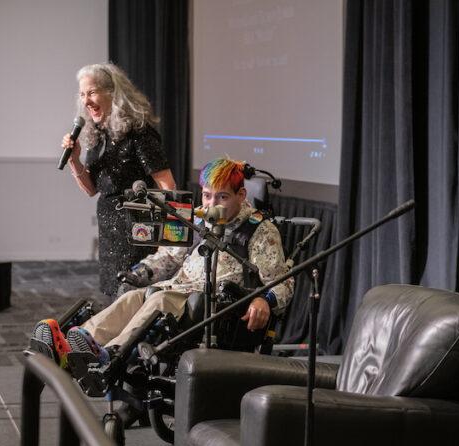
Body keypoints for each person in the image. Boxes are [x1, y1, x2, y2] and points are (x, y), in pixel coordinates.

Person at [30, 157, 293, 393]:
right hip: (178, 290)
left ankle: (109, 356)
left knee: (159, 301)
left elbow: (282, 281)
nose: (212, 204)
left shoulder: (260, 230)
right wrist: (140, 272)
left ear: (241, 194)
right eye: (206, 195)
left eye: (222, 197)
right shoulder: (199, 221)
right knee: (134, 296)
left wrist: (264, 300)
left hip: (218, 306)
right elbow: (169, 257)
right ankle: (72, 349)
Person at [63, 62, 176, 297]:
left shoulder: (138, 132)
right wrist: (74, 160)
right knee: (113, 294)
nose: (86, 101)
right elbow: (92, 189)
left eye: (92, 92)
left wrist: (167, 238)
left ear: (112, 93)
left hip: (138, 228)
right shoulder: (98, 135)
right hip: (109, 230)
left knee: (132, 295)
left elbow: (167, 185)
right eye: (82, 94)